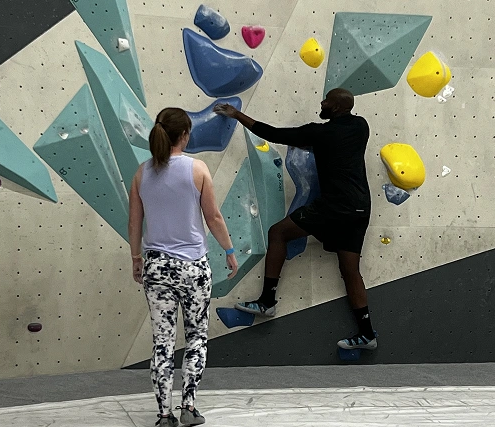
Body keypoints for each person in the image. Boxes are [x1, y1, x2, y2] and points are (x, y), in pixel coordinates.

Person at [213, 88, 377, 350]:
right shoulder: (361, 126)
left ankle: (267, 301)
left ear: (334, 107)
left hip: (333, 207)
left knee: (278, 233)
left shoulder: (320, 132)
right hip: (359, 209)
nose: (321, 103)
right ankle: (367, 334)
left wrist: (236, 114)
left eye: (326, 100)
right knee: (350, 271)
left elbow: (274, 134)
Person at [128, 107, 238, 427]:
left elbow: (135, 222)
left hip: (157, 269)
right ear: (185, 135)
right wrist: (229, 251)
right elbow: (213, 218)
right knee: (196, 338)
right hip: (193, 269)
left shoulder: (141, 173)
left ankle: (164, 415)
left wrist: (136, 258)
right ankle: (189, 407)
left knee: (162, 342)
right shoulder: (198, 169)